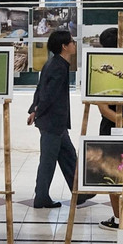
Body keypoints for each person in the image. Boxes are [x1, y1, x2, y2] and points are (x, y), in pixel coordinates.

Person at [28, 30, 95, 208]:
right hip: (52, 122)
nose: (74, 44)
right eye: (72, 42)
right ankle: (41, 197)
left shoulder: (55, 63)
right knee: (48, 161)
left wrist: (34, 110)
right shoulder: (57, 66)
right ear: (64, 46)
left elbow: (40, 88)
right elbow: (47, 95)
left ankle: (80, 192)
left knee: (68, 156)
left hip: (56, 122)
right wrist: (37, 111)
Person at [97, 27, 123, 230]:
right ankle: (120, 218)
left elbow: (102, 108)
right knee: (115, 173)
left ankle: (121, 217)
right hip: (116, 127)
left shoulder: (105, 68)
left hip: (117, 126)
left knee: (118, 173)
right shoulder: (108, 69)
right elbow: (103, 107)